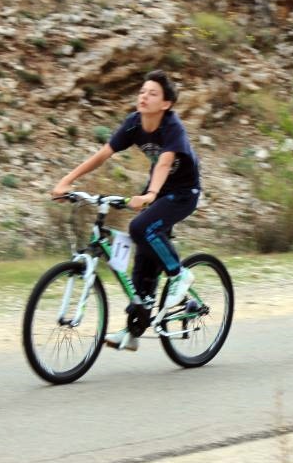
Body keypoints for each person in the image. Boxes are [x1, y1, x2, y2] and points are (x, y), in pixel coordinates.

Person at [51, 70, 201, 351]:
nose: (144, 96)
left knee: (140, 228)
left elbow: (165, 163)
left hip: (183, 192)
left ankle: (179, 274)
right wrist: (67, 181)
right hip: (157, 190)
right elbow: (103, 154)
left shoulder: (172, 126)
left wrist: (150, 195)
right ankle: (134, 330)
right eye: (142, 91)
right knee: (143, 254)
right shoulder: (134, 124)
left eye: (152, 93)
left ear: (166, 103)